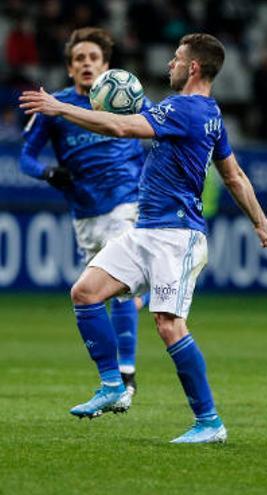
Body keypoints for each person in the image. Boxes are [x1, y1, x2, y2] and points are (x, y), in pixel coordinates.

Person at [20, 33, 267, 443]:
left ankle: (209, 422)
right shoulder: (209, 113)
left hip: (176, 237)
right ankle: (111, 385)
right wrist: (261, 221)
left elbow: (120, 127)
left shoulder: (186, 109)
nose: (169, 65)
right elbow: (234, 175)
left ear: (193, 67)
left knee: (169, 326)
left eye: (176, 59)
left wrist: (60, 107)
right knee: (86, 292)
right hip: (146, 230)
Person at [19, 27, 147, 404]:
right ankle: (116, 380)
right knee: (101, 293)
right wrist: (47, 173)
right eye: (79, 59)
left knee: (120, 286)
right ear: (71, 69)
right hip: (85, 213)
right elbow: (25, 158)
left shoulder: (127, 101)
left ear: (106, 66)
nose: (87, 63)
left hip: (128, 201)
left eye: (94, 58)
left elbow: (160, 135)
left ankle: (124, 377)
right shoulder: (55, 107)